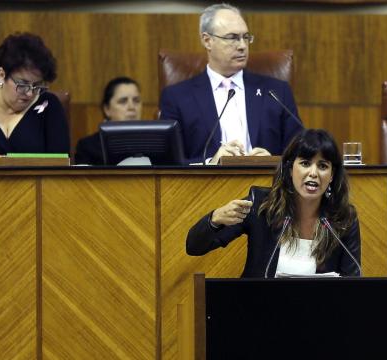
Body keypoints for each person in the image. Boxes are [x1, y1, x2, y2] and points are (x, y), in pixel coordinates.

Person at [186, 129, 361, 278]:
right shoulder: (262, 206)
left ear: (331, 175)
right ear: (290, 169)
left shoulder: (343, 219)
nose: (313, 173)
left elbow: (352, 283)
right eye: (305, 163)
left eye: (322, 166)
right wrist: (214, 220)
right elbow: (194, 246)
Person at [159, 3, 303, 164]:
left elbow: (300, 153)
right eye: (232, 38)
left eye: (246, 37)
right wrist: (210, 163)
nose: (242, 46)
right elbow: (168, 163)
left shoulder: (277, 92)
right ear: (207, 41)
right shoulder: (177, 97)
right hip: (205, 187)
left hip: (268, 184)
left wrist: (274, 162)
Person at [0, 32, 69, 156]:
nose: (29, 93)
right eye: (23, 85)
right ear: (2, 75)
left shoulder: (48, 106)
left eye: (37, 86)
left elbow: (60, 165)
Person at [74, 77, 142, 164]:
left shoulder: (152, 143)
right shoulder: (88, 146)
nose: (132, 107)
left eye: (136, 101)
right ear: (107, 109)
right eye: (123, 101)